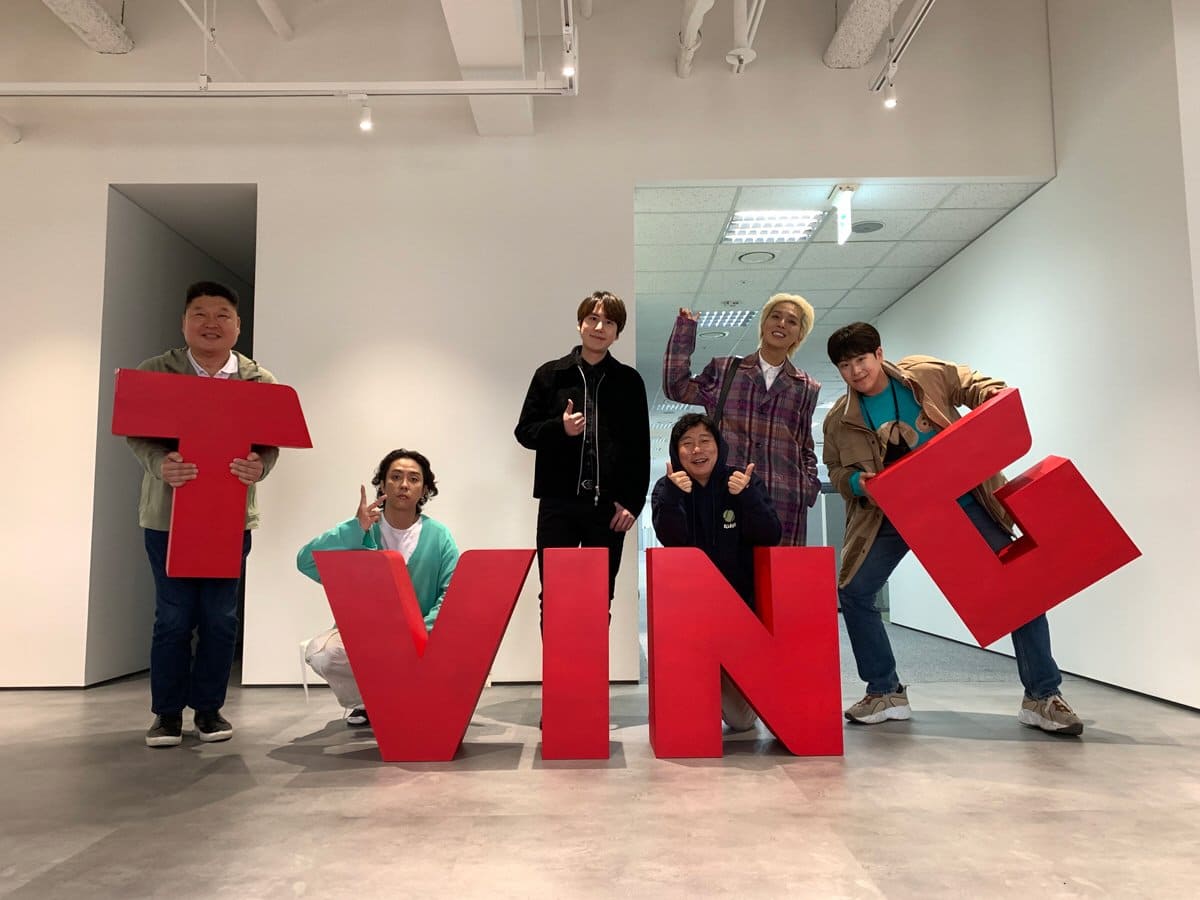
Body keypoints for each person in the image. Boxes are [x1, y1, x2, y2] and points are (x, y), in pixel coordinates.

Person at [822, 322, 1084, 735]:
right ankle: (885, 690)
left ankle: (1042, 696)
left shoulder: (923, 375)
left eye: (861, 359)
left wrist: (993, 397)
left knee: (1022, 585)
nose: (855, 371)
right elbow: (837, 470)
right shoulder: (840, 420)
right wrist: (858, 483)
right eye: (844, 365)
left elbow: (971, 384)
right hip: (889, 516)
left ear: (879, 353)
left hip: (963, 503)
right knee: (854, 592)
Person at [127, 280, 279, 748]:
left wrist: (260, 466)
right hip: (167, 519)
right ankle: (167, 714)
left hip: (229, 520)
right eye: (200, 314)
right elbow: (137, 434)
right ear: (184, 323)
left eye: (221, 315)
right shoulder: (156, 372)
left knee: (220, 619)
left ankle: (209, 710)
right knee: (173, 618)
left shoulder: (260, 382)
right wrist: (159, 463)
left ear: (237, 325)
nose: (211, 323)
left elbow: (270, 443)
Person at [297, 449, 459, 728]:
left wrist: (421, 633)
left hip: (422, 634)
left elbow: (451, 591)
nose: (404, 485)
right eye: (395, 477)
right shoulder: (364, 529)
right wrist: (354, 529)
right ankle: (369, 701)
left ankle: (405, 695)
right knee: (323, 653)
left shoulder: (439, 535)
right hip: (368, 636)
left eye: (413, 479)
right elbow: (306, 561)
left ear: (424, 490)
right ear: (382, 485)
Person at [515, 290, 650, 613]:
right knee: (554, 596)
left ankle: (592, 652)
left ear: (617, 333)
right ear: (580, 324)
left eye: (609, 322)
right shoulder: (550, 375)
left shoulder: (629, 381)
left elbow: (639, 449)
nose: (599, 327)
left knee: (599, 596)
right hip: (557, 504)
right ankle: (558, 651)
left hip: (608, 509)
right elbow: (525, 432)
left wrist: (632, 503)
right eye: (593, 318)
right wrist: (559, 429)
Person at [650, 413, 782, 732]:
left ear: (719, 446)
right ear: (676, 452)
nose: (697, 450)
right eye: (687, 443)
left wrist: (747, 496)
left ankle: (725, 682)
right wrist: (673, 497)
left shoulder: (742, 481)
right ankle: (700, 686)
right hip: (690, 613)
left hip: (739, 612)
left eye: (704, 441)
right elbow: (670, 539)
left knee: (741, 721)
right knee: (690, 716)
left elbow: (771, 534)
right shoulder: (667, 487)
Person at [663, 293, 821, 547]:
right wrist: (684, 332)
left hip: (784, 500)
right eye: (775, 316)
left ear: (799, 334)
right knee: (725, 567)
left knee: (778, 572)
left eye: (792, 321)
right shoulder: (726, 370)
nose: (782, 324)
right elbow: (676, 388)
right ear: (764, 323)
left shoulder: (807, 387)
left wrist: (808, 487)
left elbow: (804, 445)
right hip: (729, 494)